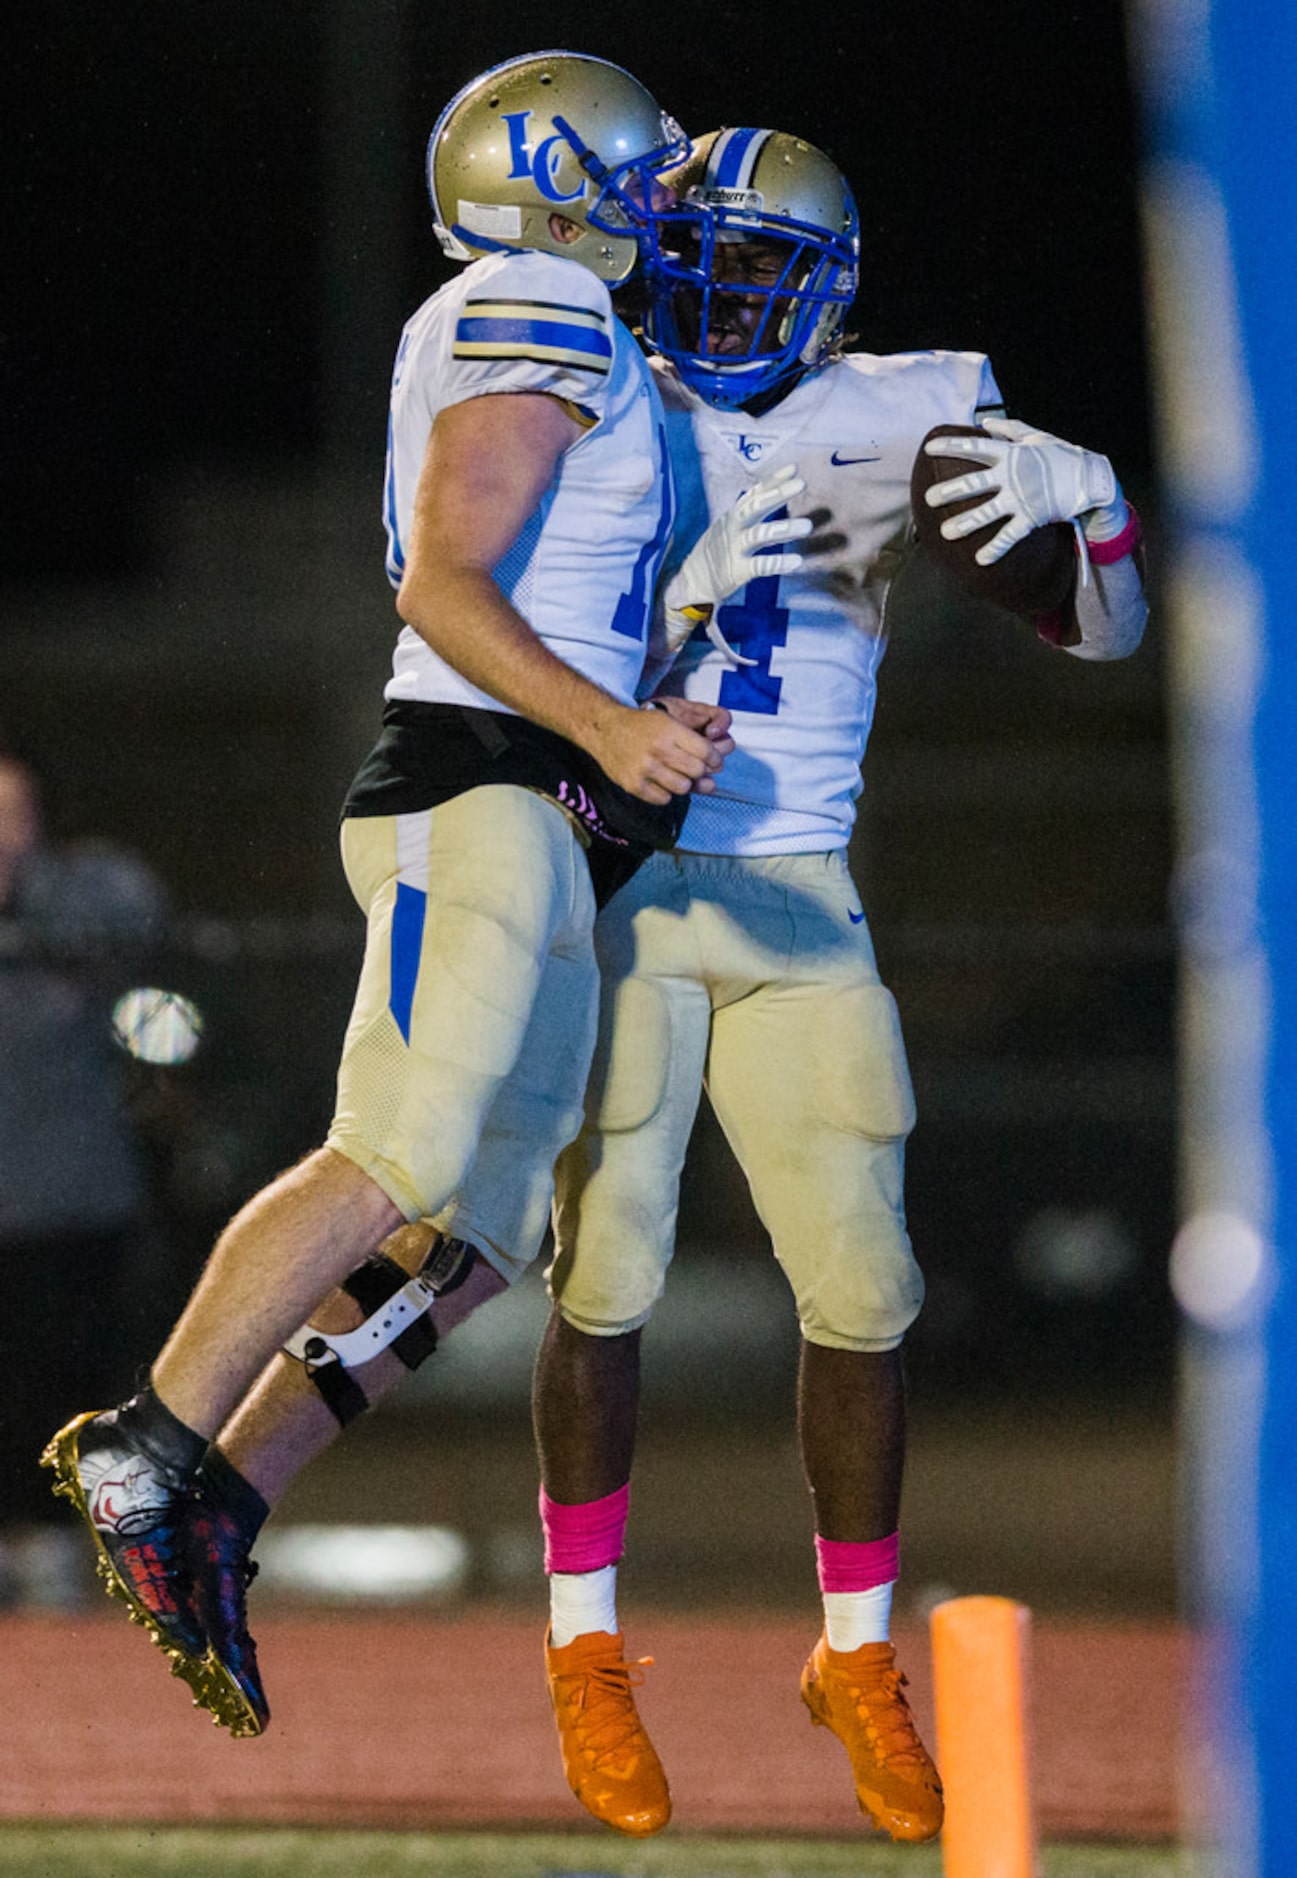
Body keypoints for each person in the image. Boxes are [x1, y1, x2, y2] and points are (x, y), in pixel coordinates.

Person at [76, 125, 1147, 1848]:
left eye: (757, 268)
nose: (720, 296)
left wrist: (1087, 527)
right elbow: (463, 567)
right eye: (700, 253)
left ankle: (842, 1652)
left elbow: (1101, 629)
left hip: (784, 875)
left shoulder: (896, 401)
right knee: (563, 1248)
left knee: (796, 1267)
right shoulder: (586, 360)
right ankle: (529, 1623)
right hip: (608, 848)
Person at [39, 50, 770, 1731]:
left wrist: (632, 718)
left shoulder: (580, 331)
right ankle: (152, 1442)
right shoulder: (536, 299)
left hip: (541, 783)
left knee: (490, 1224)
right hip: (475, 780)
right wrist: (605, 723)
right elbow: (440, 573)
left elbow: (535, 582)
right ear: (554, 178)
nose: (663, 192)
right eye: (639, 166)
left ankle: (226, 1492)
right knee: (402, 1147)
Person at [0, 750, 171, 1605]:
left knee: (65, 1382)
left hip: (68, 1205)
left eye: (12, 816)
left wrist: (29, 889)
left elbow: (137, 917)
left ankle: (56, 1553)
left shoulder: (82, 894)